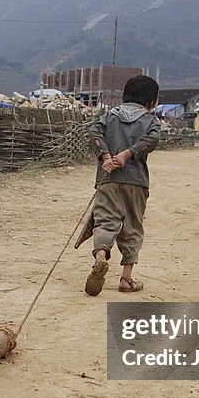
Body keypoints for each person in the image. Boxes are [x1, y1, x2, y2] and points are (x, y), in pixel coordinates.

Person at [84, 75, 161, 296]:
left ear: (125, 96)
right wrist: (128, 155)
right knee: (132, 226)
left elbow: (94, 132)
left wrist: (106, 157)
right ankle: (126, 279)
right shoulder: (150, 121)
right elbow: (151, 140)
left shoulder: (110, 116)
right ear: (151, 101)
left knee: (105, 222)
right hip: (136, 182)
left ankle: (100, 258)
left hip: (108, 180)